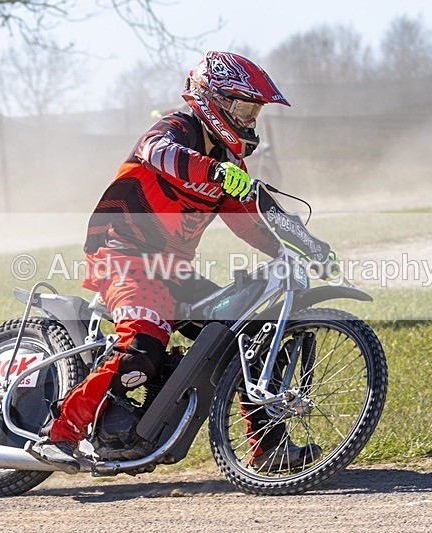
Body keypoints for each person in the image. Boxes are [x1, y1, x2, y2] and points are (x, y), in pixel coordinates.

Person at [29, 51, 321, 474]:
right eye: (242, 106)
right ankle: (60, 434)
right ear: (211, 99)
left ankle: (269, 448)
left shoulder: (231, 164)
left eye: (254, 110)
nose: (249, 118)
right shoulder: (177, 129)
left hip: (171, 270)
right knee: (143, 340)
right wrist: (217, 173)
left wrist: (299, 246)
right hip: (122, 251)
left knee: (242, 339)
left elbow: (252, 223)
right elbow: (156, 151)